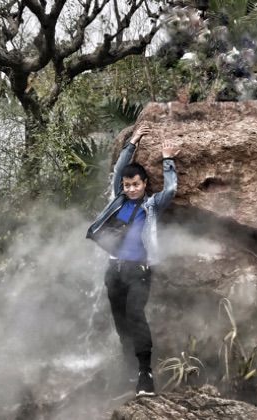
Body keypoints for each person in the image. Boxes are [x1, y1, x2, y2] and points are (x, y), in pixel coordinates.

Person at [86, 125, 180, 396]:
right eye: (127, 185)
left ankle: (145, 373)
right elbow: (119, 169)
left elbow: (171, 189)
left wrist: (167, 159)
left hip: (139, 269)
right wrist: (133, 141)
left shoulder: (151, 205)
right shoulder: (118, 199)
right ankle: (129, 368)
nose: (130, 189)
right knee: (120, 322)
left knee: (136, 316)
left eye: (135, 184)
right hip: (114, 270)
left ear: (144, 184)